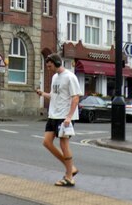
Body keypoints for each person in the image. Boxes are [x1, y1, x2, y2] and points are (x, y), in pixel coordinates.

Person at [35, 53, 81, 187]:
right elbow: (55, 96)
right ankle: (71, 168)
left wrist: (69, 117)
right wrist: (43, 94)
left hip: (64, 117)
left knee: (63, 145)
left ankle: (69, 177)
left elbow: (76, 98)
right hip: (53, 115)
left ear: (56, 63)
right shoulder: (55, 77)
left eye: (50, 66)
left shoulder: (70, 77)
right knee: (46, 142)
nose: (48, 69)